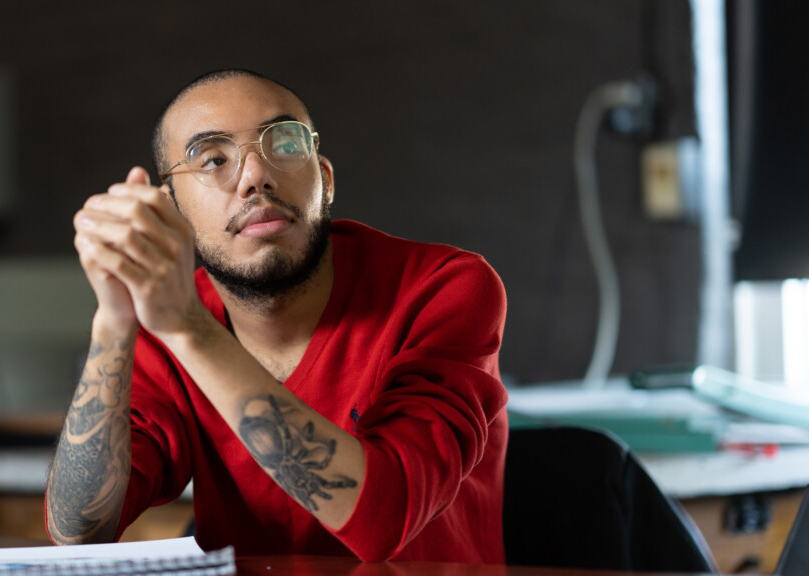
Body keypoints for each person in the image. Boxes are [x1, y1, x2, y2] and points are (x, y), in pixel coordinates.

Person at [45, 69, 509, 563]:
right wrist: (115, 320)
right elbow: (78, 531)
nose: (254, 176)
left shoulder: (445, 287)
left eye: (284, 145)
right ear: (173, 210)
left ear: (325, 181)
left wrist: (188, 330)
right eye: (214, 158)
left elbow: (384, 519)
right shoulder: (167, 322)